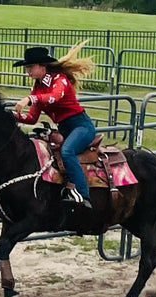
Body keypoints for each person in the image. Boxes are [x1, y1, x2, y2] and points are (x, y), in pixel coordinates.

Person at [13, 42, 96, 209]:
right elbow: (32, 118)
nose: (28, 70)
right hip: (66, 129)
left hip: (81, 126)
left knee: (67, 151)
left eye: (31, 66)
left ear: (42, 66)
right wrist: (11, 116)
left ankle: (83, 194)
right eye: (26, 67)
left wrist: (30, 99)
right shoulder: (37, 87)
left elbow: (54, 97)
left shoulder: (60, 80)